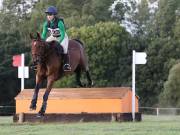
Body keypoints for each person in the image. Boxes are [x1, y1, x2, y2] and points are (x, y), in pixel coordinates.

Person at [41, 6, 71, 71]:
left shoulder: (59, 22)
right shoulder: (46, 24)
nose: (48, 16)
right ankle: (41, 62)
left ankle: (66, 64)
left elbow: (63, 34)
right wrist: (41, 41)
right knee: (44, 45)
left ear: (54, 15)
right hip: (53, 36)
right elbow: (43, 34)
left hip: (62, 37)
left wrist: (59, 43)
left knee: (64, 49)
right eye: (47, 14)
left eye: (50, 14)